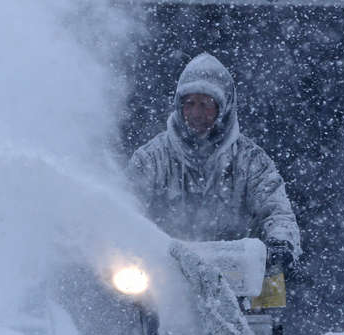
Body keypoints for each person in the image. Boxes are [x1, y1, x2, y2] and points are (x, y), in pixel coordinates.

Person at [127, 53, 301, 276]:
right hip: (163, 277)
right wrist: (125, 242)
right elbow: (128, 202)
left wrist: (281, 242)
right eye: (189, 104)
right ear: (178, 106)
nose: (196, 114)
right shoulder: (151, 158)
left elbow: (276, 210)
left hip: (242, 277)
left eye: (206, 104)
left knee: (271, 295)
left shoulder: (251, 160)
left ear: (225, 107)